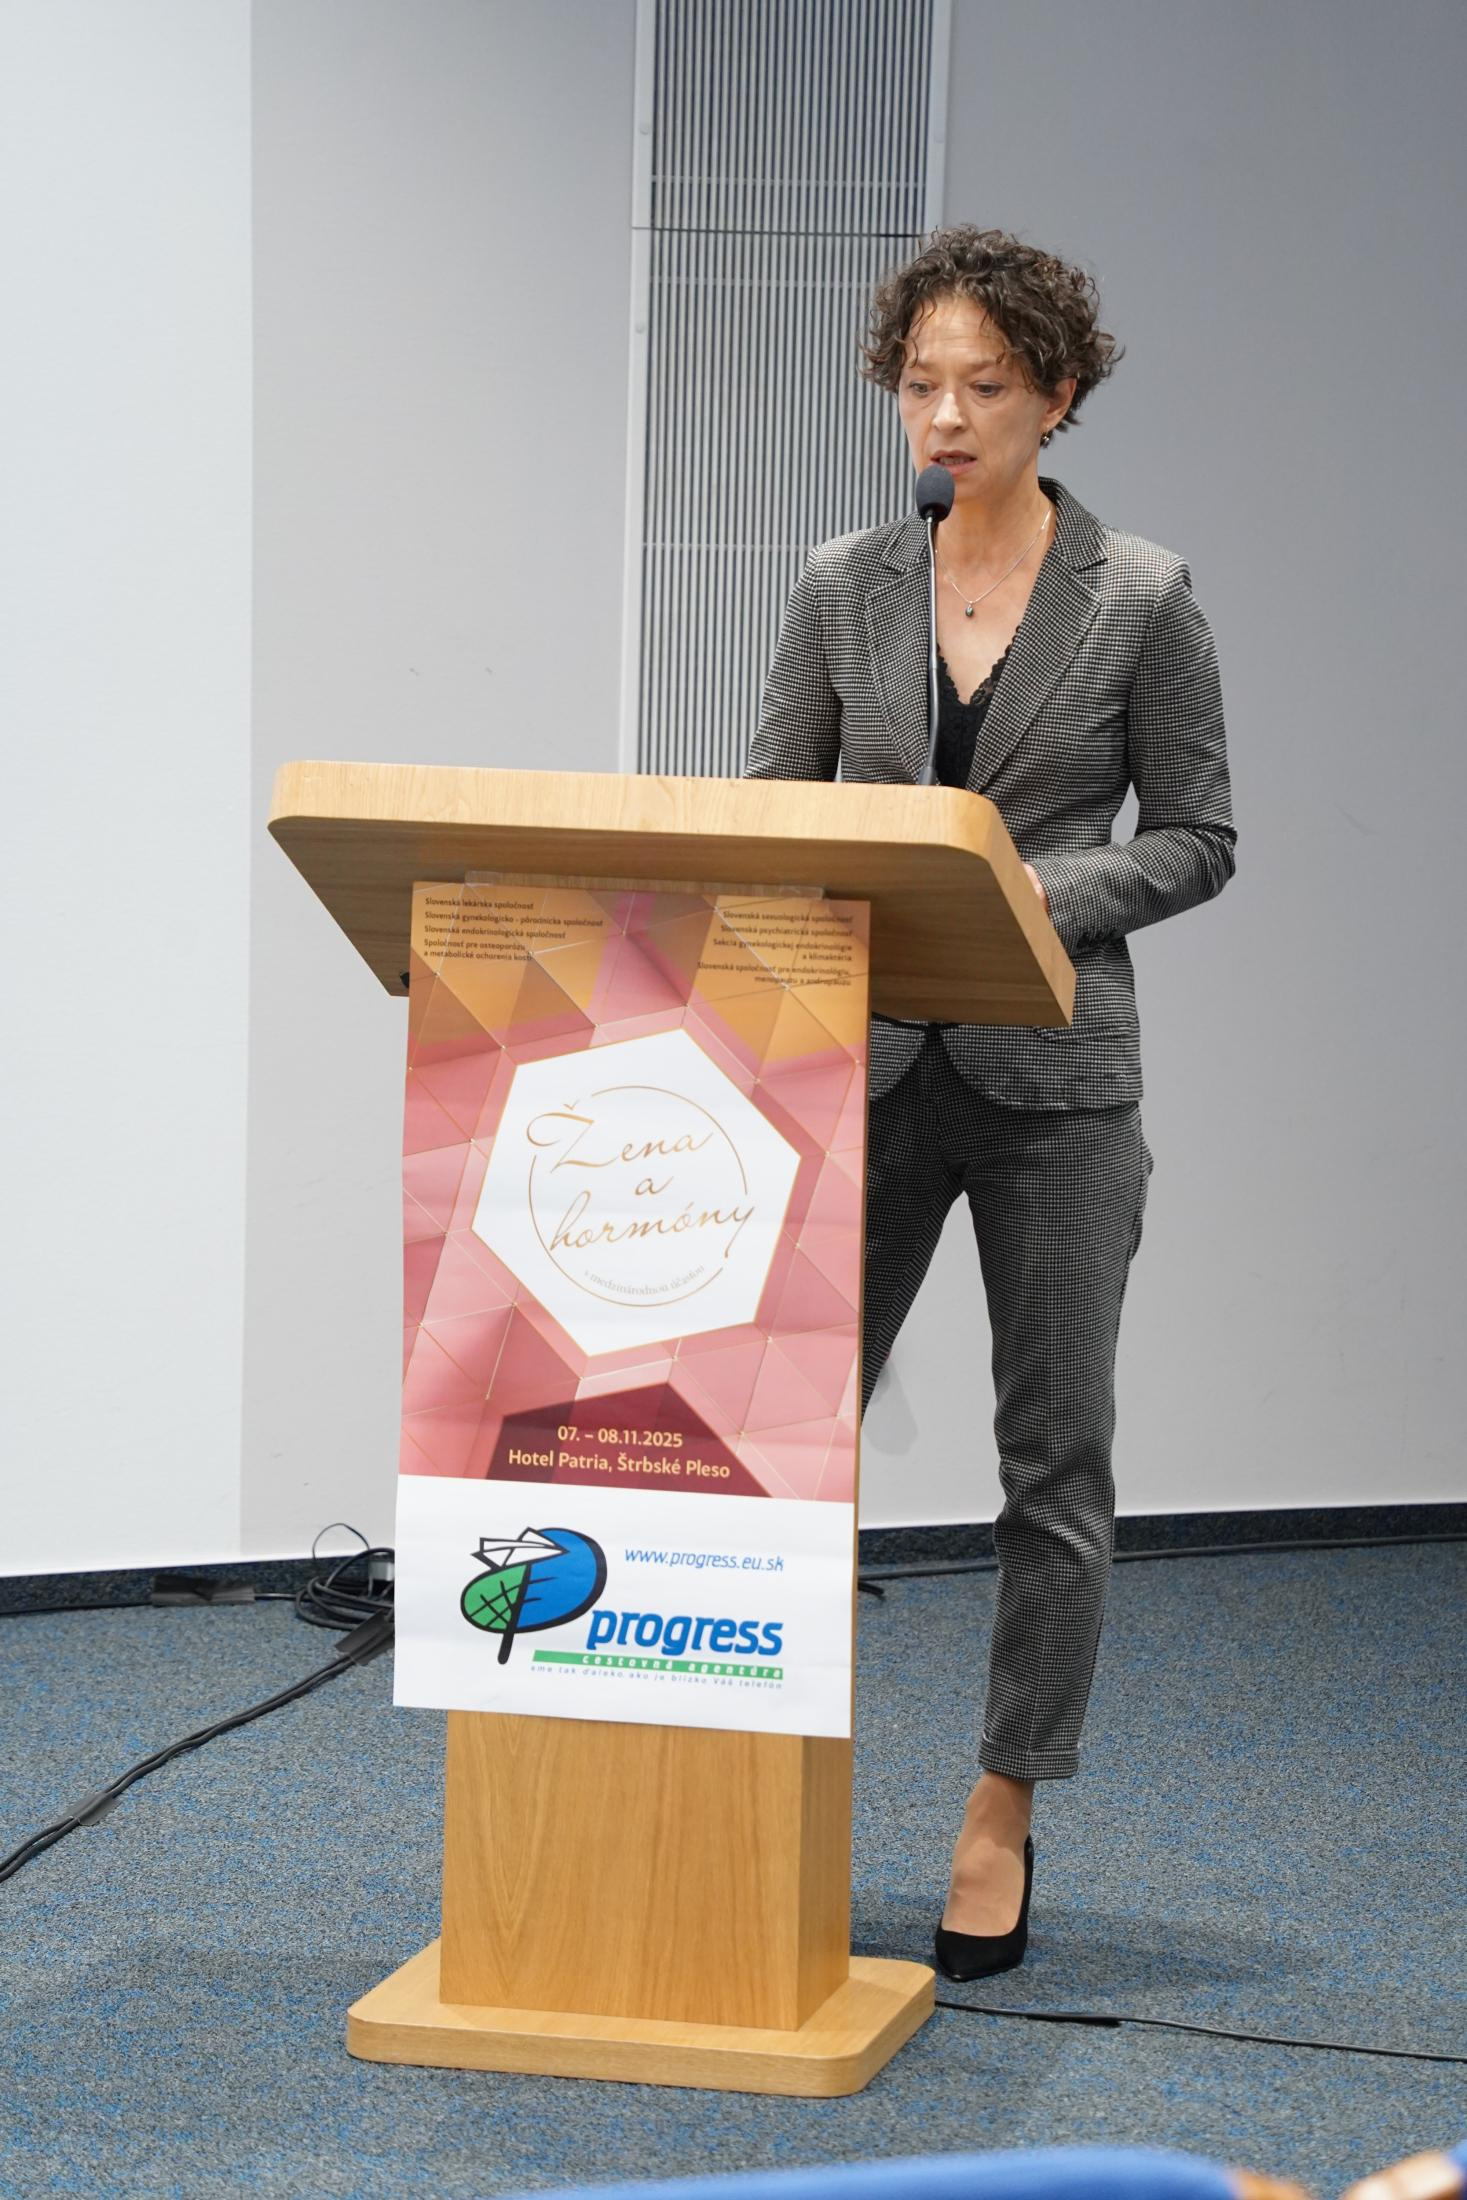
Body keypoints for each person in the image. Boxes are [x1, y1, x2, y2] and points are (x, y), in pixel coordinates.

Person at [744, 225, 1237, 1980]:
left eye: (986, 386)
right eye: (919, 385)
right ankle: (761, 1781)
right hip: (866, 1069)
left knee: (1055, 1465)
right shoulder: (840, 583)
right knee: (778, 1446)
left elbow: (1201, 838)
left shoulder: (1142, 596)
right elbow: (772, 812)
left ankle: (1001, 1807)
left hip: (1056, 1087)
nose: (945, 417)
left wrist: (1044, 889)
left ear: (1059, 396)